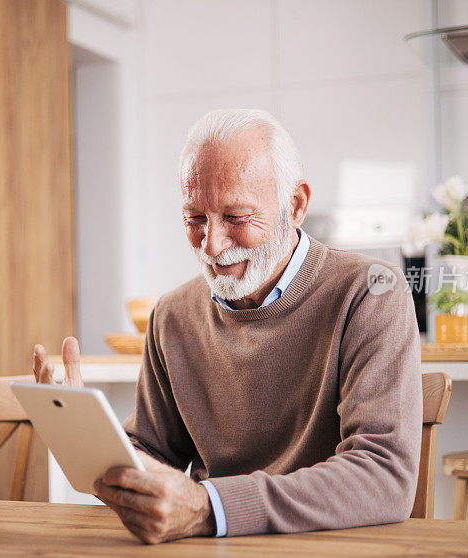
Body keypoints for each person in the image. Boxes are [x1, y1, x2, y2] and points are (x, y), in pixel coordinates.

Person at [32, 109, 422, 545]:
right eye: (195, 219)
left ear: (295, 206)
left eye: (236, 217)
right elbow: (151, 451)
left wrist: (208, 508)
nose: (212, 244)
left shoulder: (372, 292)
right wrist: (89, 438)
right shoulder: (172, 315)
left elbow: (384, 476)